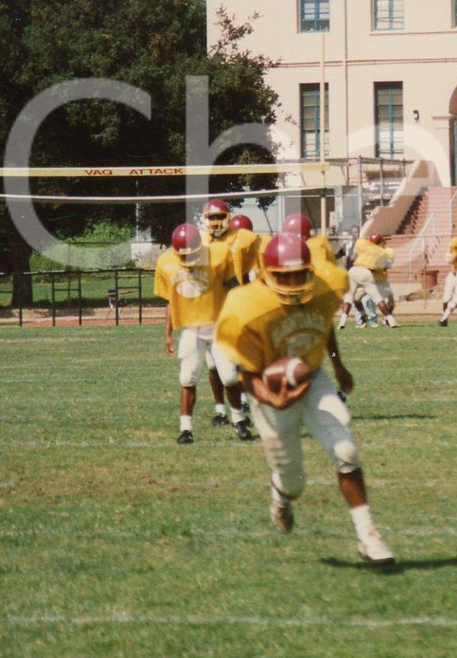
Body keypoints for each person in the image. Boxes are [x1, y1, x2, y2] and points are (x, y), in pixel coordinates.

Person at [214, 233, 395, 566]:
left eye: (300, 274)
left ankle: (368, 535)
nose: (294, 283)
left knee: (346, 450)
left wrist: (338, 364)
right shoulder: (245, 306)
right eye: (285, 276)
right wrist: (272, 396)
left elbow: (324, 323)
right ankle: (280, 490)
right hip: (269, 385)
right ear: (266, 274)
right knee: (294, 483)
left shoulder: (327, 286)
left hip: (311, 376)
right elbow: (246, 373)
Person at [153, 221, 253, 444]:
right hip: (191, 327)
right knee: (187, 377)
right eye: (184, 255)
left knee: (228, 376)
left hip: (218, 324)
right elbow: (170, 302)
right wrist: (167, 333)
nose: (188, 259)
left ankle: (238, 420)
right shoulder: (166, 263)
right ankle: (186, 429)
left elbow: (235, 287)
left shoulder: (218, 254)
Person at [337, 230, 399, 328]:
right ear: (381, 242)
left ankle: (342, 322)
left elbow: (353, 258)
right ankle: (390, 321)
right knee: (378, 299)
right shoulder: (383, 252)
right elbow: (385, 266)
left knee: (349, 298)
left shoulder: (362, 243)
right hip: (368, 275)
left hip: (354, 271)